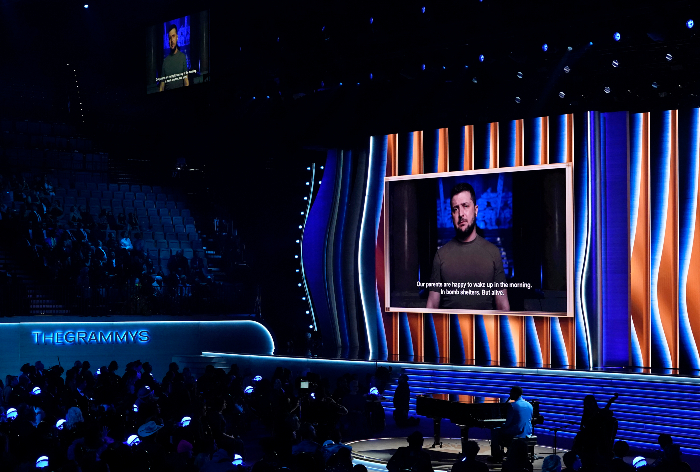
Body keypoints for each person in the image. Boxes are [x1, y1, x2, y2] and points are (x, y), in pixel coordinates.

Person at [426, 183, 509, 311]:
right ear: (452, 215)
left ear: (475, 210)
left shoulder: (493, 253)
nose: (461, 214)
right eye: (455, 209)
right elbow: (432, 304)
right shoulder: (441, 255)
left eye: (465, 206)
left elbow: (503, 304)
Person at [490, 386, 533, 462]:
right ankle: (508, 452)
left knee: (494, 431)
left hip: (516, 432)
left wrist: (501, 425)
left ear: (515, 393)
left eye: (511, 393)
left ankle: (497, 456)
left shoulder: (512, 406)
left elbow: (508, 423)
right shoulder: (529, 405)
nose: (509, 394)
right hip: (527, 431)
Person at [160, 24, 190, 91]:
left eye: (173, 36)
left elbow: (186, 81)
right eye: (170, 38)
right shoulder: (165, 61)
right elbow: (162, 86)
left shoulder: (182, 57)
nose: (171, 40)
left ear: (177, 37)